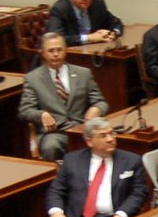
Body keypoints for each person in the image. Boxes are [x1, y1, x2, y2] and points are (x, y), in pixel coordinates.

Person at [45, 117, 148, 217]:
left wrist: (121, 215)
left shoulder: (131, 161)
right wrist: (56, 213)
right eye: (103, 135)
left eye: (111, 133)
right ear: (89, 141)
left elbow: (139, 193)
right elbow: (56, 190)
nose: (110, 139)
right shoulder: (72, 160)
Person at [18, 31, 107, 162]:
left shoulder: (83, 73)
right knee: (51, 147)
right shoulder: (33, 79)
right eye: (51, 51)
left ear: (66, 50)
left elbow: (101, 102)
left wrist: (96, 109)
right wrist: (41, 115)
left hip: (82, 128)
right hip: (55, 132)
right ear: (43, 53)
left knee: (108, 139)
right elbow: (25, 111)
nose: (56, 54)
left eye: (59, 50)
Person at [48, 0, 122, 45]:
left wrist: (114, 33)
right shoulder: (60, 9)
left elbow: (116, 23)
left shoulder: (98, 4)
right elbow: (56, 38)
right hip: (73, 51)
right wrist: (89, 38)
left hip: (97, 49)